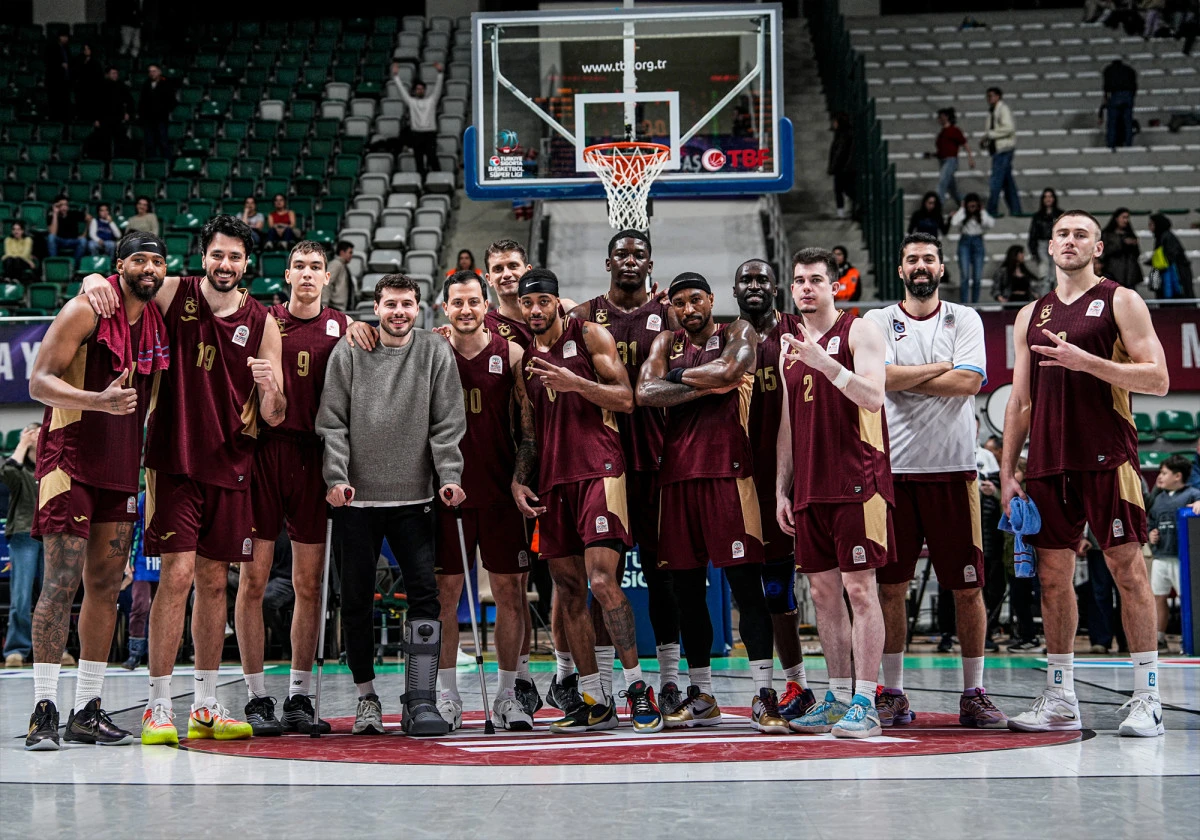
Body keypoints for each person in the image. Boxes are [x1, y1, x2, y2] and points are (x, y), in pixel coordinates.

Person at [80, 216, 286, 746]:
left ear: (247, 265)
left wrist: (268, 392)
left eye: (235, 257)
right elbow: (123, 284)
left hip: (232, 463)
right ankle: (156, 706)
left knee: (216, 582)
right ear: (203, 256)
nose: (225, 265)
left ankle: (206, 703)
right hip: (173, 461)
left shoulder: (263, 322)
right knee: (176, 577)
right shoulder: (172, 293)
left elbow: (278, 412)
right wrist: (91, 283)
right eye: (218, 255)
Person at [1001, 209, 1170, 737]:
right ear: (1048, 248)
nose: (1070, 241)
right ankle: (1060, 696)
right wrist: (1009, 471)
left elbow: (1159, 378)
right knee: (1052, 580)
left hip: (1107, 456)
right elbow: (1020, 401)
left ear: (1098, 247)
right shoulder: (1030, 314)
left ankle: (1148, 697)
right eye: (1061, 234)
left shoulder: (1121, 299)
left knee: (1127, 570)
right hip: (1049, 463)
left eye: (1081, 234)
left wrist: (1089, 362)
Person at [23, 232, 171, 750]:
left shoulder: (157, 312)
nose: (149, 268)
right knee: (61, 582)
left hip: (120, 467)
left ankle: (87, 709)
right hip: (70, 460)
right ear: (119, 265)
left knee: (107, 587)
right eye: (138, 259)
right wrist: (97, 401)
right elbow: (38, 382)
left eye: (157, 260)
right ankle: (44, 708)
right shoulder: (85, 309)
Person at [865, 233, 1007, 729]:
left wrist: (903, 374)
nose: (920, 266)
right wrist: (942, 367)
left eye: (928, 259)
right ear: (900, 269)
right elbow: (875, 378)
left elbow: (970, 382)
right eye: (911, 259)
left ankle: (973, 692)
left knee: (968, 589)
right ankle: (894, 693)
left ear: (941, 268)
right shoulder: (876, 320)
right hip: (893, 476)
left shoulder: (965, 317)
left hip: (954, 473)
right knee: (891, 589)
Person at [318, 274, 465, 736]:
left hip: (416, 498)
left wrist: (450, 476)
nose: (398, 312)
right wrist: (337, 479)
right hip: (356, 501)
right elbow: (332, 422)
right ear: (375, 308)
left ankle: (420, 699)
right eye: (390, 305)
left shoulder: (435, 351)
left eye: (406, 304)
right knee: (357, 600)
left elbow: (447, 422)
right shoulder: (350, 349)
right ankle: (366, 699)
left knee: (426, 596)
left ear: (419, 308)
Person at [635, 271, 780, 732]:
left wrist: (679, 382)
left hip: (729, 473)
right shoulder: (663, 342)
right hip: (676, 479)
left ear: (711, 299)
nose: (687, 308)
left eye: (695, 299)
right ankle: (701, 693)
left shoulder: (737, 331)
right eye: (678, 302)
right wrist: (701, 382)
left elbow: (731, 371)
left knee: (745, 587)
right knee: (686, 593)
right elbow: (645, 392)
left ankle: (764, 693)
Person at [513, 268, 655, 733]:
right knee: (568, 590)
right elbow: (530, 436)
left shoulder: (590, 334)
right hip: (554, 484)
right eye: (527, 304)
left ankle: (637, 688)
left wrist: (578, 385)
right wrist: (519, 480)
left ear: (557, 302)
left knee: (600, 580)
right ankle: (593, 697)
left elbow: (626, 398)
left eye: (542, 302)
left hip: (601, 469)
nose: (535, 311)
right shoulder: (524, 364)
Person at [565, 231, 681, 715]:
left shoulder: (670, 316)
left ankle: (671, 682)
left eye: (639, 255)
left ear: (650, 262)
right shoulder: (581, 317)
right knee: (598, 577)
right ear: (607, 261)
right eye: (622, 254)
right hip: (599, 465)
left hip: (658, 460)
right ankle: (605, 687)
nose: (630, 261)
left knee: (662, 575)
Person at [776, 247, 891, 739]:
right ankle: (838, 696)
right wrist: (783, 486)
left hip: (856, 481)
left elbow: (874, 396)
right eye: (799, 280)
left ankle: (866, 700)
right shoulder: (789, 346)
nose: (805, 287)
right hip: (809, 487)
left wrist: (826, 363)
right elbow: (787, 423)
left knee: (860, 590)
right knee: (823, 595)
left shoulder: (859, 330)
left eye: (815, 280)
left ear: (833, 286)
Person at [236, 241, 350, 736]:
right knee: (253, 582)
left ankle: (300, 695)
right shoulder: (264, 321)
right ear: (287, 275)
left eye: (316, 267)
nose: (307, 274)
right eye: (299, 266)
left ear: (327, 277)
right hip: (264, 453)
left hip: (315, 457)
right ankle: (256, 697)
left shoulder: (346, 329)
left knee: (309, 584)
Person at [432, 270, 538, 731]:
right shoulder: (431, 352)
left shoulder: (510, 352)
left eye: (473, 301)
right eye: (457, 303)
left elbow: (529, 431)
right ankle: (448, 696)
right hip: (446, 494)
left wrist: (519, 479)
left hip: (499, 493)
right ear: (445, 308)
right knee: (444, 597)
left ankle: (507, 696)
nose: (466, 310)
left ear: (485, 303)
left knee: (511, 592)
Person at [730, 259, 818, 722]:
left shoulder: (798, 333)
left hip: (796, 479)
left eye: (762, 279)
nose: (755, 286)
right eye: (746, 280)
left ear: (776, 287)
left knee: (798, 590)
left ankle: (836, 686)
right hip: (743, 484)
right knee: (761, 594)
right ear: (734, 290)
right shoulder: (726, 340)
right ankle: (785, 686)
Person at [482, 239, 576, 349]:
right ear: (489, 279)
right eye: (498, 269)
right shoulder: (485, 327)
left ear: (528, 271)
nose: (506, 274)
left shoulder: (565, 309)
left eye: (513, 266)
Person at [1147, 456, 1200, 651]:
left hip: (1182, 559)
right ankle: (1159, 638)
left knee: (1186, 598)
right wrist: (1150, 534)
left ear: (1178, 476)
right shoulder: (1158, 499)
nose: (1159, 477)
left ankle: (1190, 638)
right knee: (1158, 597)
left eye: (1164, 473)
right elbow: (1150, 523)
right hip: (1161, 557)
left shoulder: (1193, 495)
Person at [3, 424, 44, 669]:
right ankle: (16, 648)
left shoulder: (53, 464)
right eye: (31, 432)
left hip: (51, 534)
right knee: (21, 595)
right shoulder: (19, 469)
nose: (35, 435)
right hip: (23, 534)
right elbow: (7, 474)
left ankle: (51, 649)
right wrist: (22, 445)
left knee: (52, 595)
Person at [123, 491, 157, 670]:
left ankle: (157, 653)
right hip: (142, 559)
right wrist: (128, 557)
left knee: (164, 608)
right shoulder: (141, 499)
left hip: (165, 558)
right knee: (140, 605)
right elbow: (130, 529)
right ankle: (135, 653)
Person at [393, 64, 444, 177]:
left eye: (421, 89)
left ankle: (439, 180)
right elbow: (402, 92)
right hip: (416, 135)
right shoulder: (411, 102)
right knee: (419, 160)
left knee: (432, 158)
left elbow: (438, 89)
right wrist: (396, 76)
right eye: (418, 89)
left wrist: (440, 74)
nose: (419, 91)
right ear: (415, 91)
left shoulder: (431, 101)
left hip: (430, 134)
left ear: (425, 90)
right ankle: (422, 182)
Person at [981, 87, 1021, 216]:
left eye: (992, 96)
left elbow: (1009, 128)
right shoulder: (992, 111)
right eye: (988, 96)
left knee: (996, 181)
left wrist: (990, 135)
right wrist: (986, 141)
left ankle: (992, 210)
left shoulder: (1003, 109)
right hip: (999, 149)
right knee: (1007, 183)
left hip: (1004, 150)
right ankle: (1016, 209)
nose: (989, 99)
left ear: (998, 96)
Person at [949, 193, 994, 303]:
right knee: (964, 276)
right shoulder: (963, 213)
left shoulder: (981, 214)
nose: (972, 208)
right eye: (970, 206)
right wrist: (962, 209)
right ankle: (964, 303)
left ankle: (975, 303)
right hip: (965, 241)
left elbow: (990, 223)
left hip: (978, 241)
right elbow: (954, 222)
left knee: (977, 278)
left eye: (974, 206)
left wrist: (982, 210)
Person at [90, 66, 136, 161]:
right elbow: (94, 104)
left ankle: (119, 160)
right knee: (103, 142)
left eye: (116, 73)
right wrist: (96, 119)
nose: (115, 75)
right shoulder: (99, 87)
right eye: (113, 73)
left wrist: (128, 113)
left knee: (121, 141)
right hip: (104, 119)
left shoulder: (121, 86)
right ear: (107, 74)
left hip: (117, 118)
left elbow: (130, 101)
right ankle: (104, 162)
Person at [932, 108, 975, 205]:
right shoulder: (942, 133)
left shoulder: (954, 130)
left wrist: (970, 159)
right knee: (952, 190)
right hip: (942, 161)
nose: (938, 119)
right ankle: (967, 203)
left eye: (940, 117)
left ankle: (937, 207)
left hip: (950, 161)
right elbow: (942, 150)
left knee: (942, 183)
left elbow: (965, 144)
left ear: (946, 117)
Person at [1147, 213, 1194, 299]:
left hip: (1173, 276)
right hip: (1169, 273)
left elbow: (1170, 256)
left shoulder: (1166, 237)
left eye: (1151, 224)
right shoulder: (1162, 237)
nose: (1149, 227)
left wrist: (1157, 263)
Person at [1101, 208, 1143, 289]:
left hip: (1130, 275)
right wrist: (1123, 243)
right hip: (1113, 273)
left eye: (1127, 218)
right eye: (1124, 217)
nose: (1126, 220)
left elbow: (1137, 254)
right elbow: (1106, 250)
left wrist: (1134, 244)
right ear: (1116, 218)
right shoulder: (1107, 234)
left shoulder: (1130, 234)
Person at [138, 65, 174, 161]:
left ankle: (167, 164)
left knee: (163, 142)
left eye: (154, 71)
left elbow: (171, 101)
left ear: (159, 72)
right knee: (149, 143)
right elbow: (142, 101)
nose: (152, 73)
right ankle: (151, 165)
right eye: (150, 71)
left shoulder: (166, 83)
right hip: (148, 119)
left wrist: (164, 110)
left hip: (161, 118)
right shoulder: (146, 84)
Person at [1102, 57, 1138, 150]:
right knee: (1128, 123)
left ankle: (1111, 144)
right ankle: (1128, 144)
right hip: (1128, 95)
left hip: (1115, 96)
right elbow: (1134, 85)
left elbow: (1106, 86)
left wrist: (1106, 97)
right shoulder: (1129, 70)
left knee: (1112, 123)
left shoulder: (1108, 70)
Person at [1027, 188, 1061, 284]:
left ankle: (1057, 297)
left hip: (1057, 244)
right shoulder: (1037, 216)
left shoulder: (1060, 214)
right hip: (1042, 244)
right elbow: (1033, 234)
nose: (1048, 199)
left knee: (1056, 273)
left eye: (1050, 196)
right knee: (1044, 272)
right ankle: (1045, 296)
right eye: (1045, 197)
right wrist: (1033, 251)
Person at [46, 197, 91, 264]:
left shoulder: (73, 213)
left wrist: (84, 234)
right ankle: (54, 263)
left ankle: (74, 265)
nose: (64, 207)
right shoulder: (52, 216)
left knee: (83, 241)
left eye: (66, 205)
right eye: (61, 205)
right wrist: (55, 213)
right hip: (60, 240)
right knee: (51, 238)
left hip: (73, 240)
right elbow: (53, 233)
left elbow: (89, 218)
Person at [828, 112, 855, 219]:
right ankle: (842, 210)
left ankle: (843, 210)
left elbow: (840, 153)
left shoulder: (845, 135)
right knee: (840, 190)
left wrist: (834, 167)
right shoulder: (840, 135)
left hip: (844, 169)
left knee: (845, 189)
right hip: (842, 168)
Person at [44, 32, 72, 123]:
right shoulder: (52, 49)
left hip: (65, 82)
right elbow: (50, 64)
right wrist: (60, 65)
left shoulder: (66, 49)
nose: (66, 39)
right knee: (55, 104)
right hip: (55, 82)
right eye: (64, 37)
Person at [323, 240, 355, 310]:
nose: (351, 255)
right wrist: (324, 304)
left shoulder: (342, 265)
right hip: (335, 307)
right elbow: (327, 283)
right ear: (342, 252)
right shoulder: (336, 264)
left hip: (340, 308)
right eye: (350, 252)